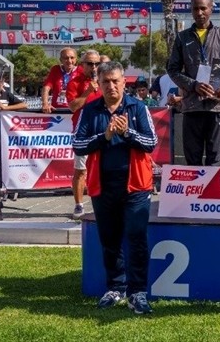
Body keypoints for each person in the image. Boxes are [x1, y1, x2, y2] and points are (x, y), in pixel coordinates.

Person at [73, 61, 158, 316]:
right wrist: (105, 136)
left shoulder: (138, 107)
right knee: (109, 240)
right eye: (106, 81)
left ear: (124, 82)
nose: (111, 86)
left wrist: (128, 133)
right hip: (103, 186)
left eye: (115, 81)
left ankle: (138, 292)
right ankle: (115, 288)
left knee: (136, 239)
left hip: (136, 186)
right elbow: (78, 144)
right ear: (98, 84)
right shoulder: (90, 111)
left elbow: (151, 143)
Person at [166, 0, 220, 165]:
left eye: (203, 8)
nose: (200, 13)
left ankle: (211, 192)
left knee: (214, 156)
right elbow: (172, 69)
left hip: (217, 105)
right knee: (192, 157)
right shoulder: (182, 37)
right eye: (195, 9)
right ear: (191, 10)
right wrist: (193, 85)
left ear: (211, 9)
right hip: (192, 105)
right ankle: (195, 191)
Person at [66, 51, 101, 216]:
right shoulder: (74, 83)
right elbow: (73, 107)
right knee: (81, 170)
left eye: (96, 63)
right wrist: (87, 92)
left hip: (102, 130)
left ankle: (103, 204)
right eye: (90, 64)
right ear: (82, 65)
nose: (94, 67)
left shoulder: (104, 80)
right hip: (83, 131)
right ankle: (79, 205)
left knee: (104, 168)